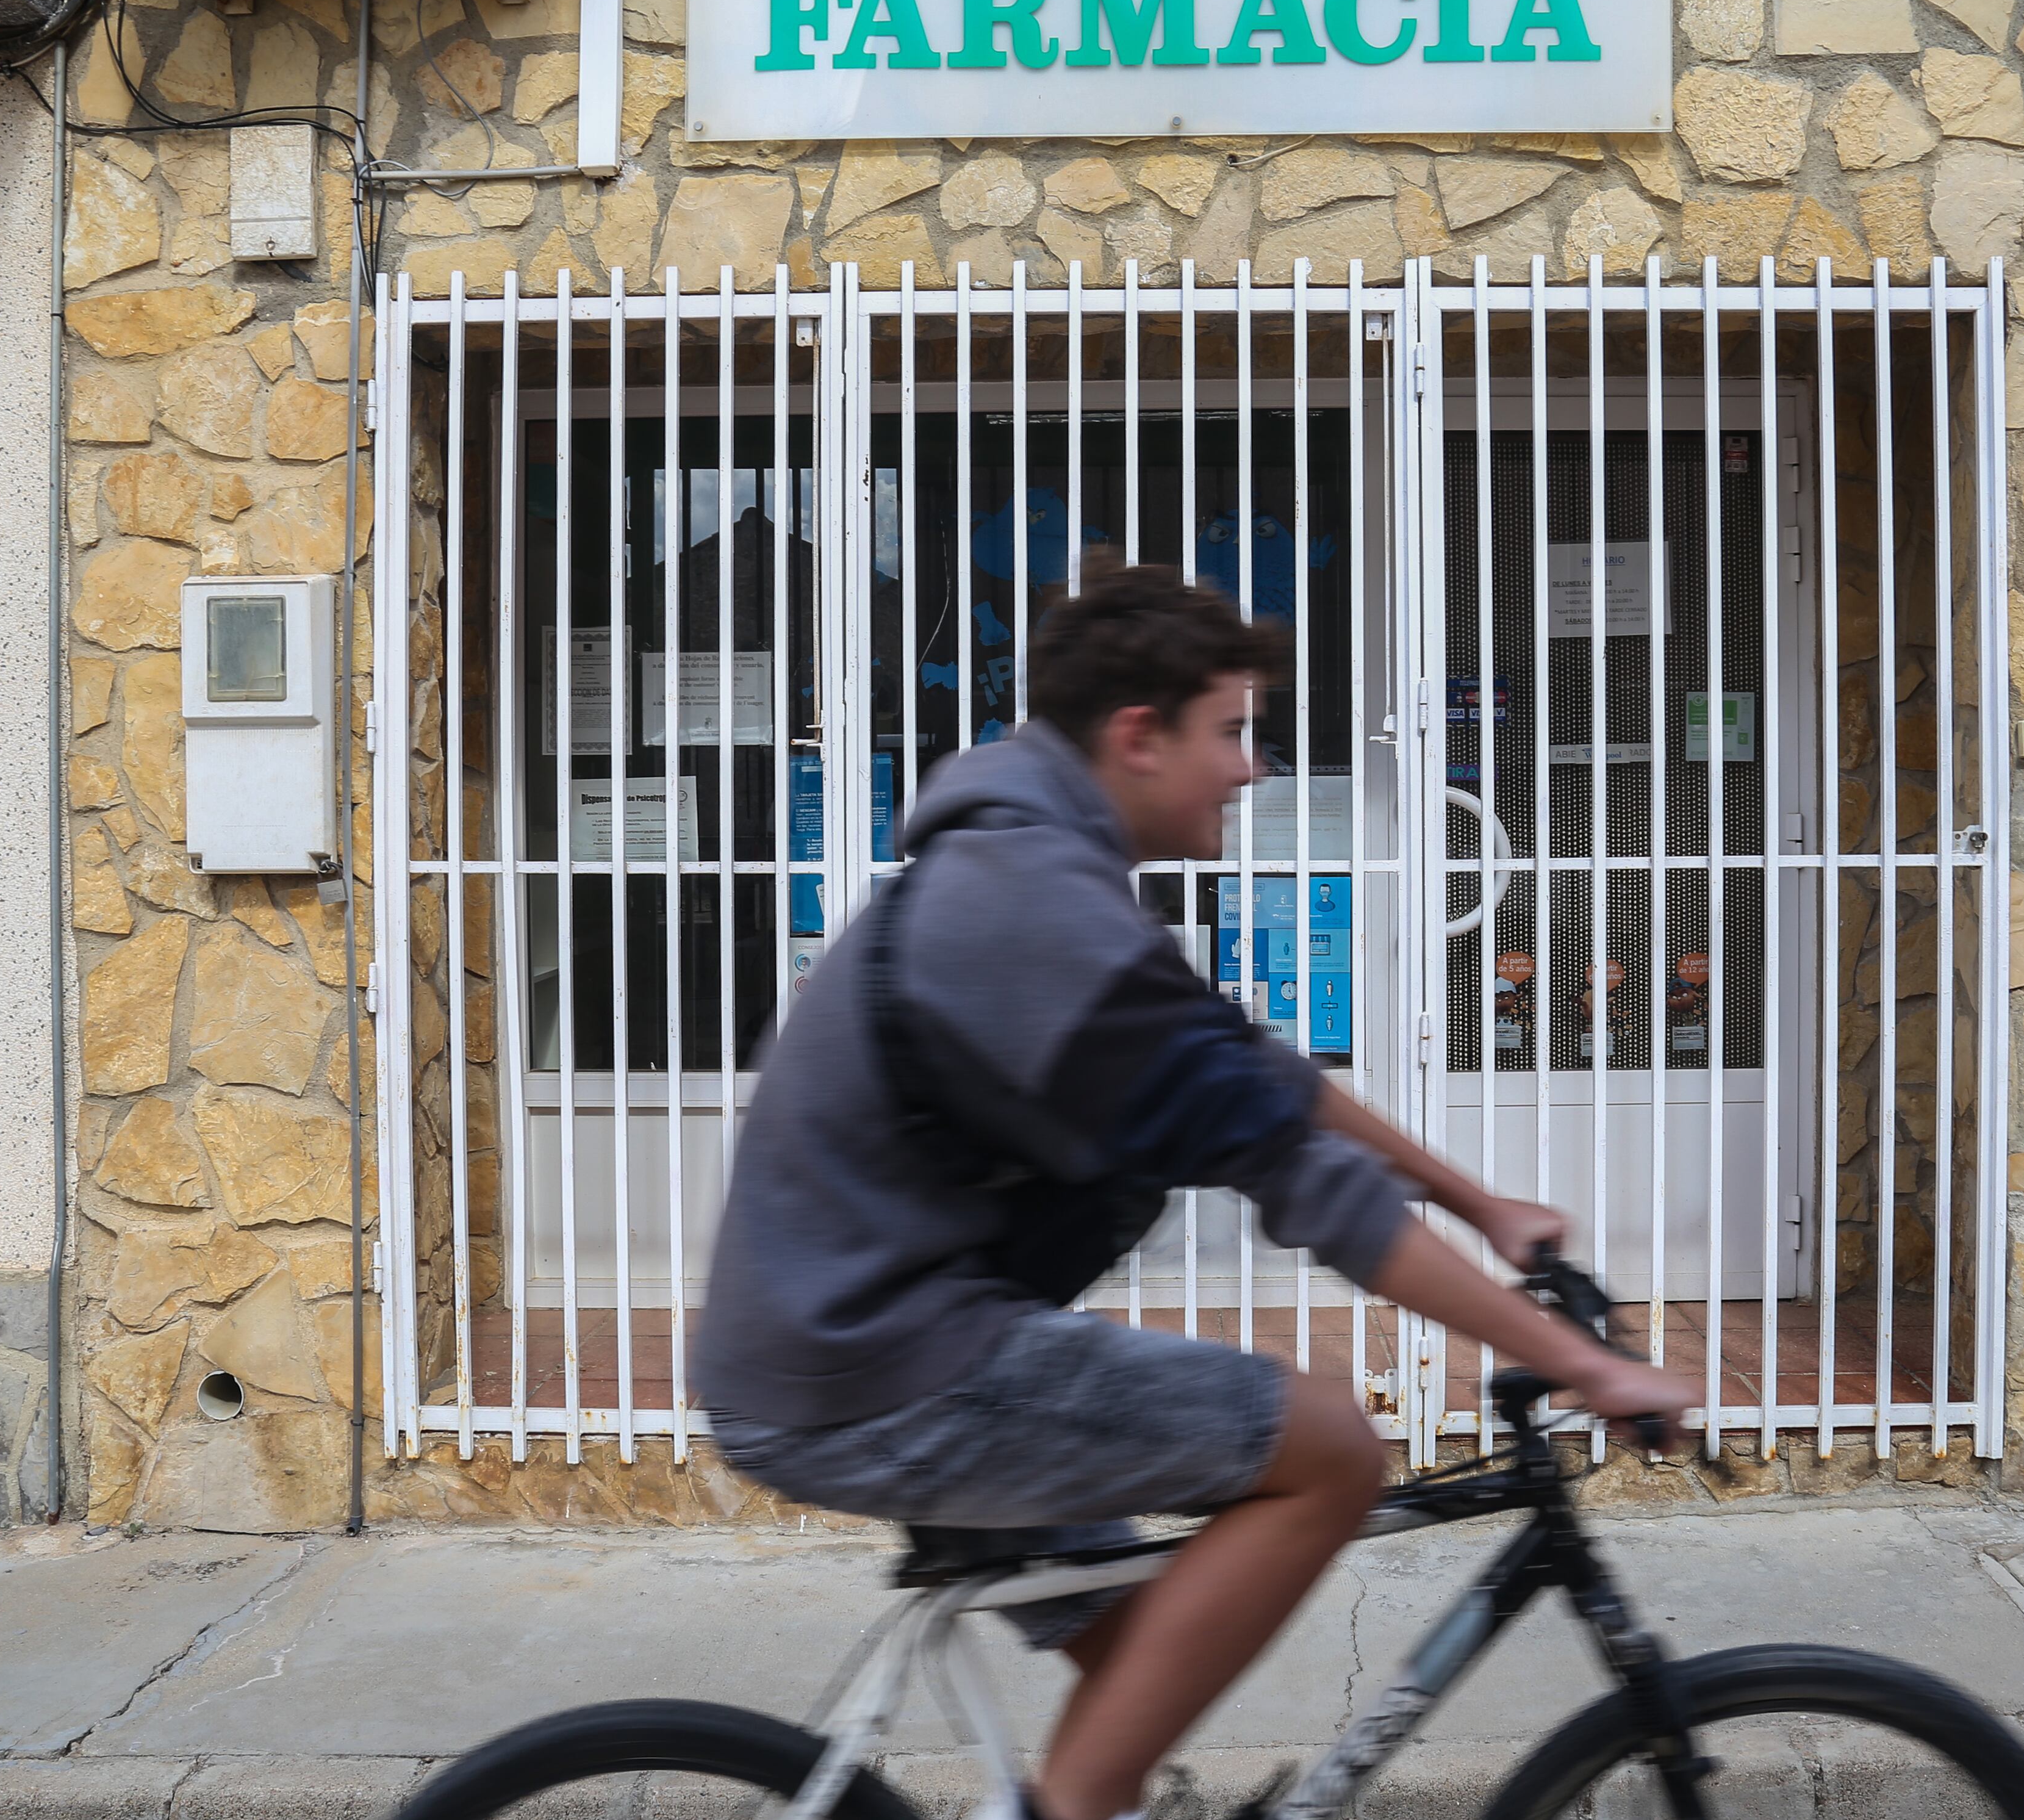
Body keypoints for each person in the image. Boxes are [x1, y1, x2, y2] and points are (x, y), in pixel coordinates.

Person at [697, 561, 1699, 1820]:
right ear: (1138, 735)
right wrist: (1587, 1364)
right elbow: (1297, 1178)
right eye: (1231, 729)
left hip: (875, 1332)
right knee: (1332, 1444)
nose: (1254, 768)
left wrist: (1482, 1201)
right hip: (876, 1361)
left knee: (1140, 1664)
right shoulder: (1026, 912)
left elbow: (1242, 1066)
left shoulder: (1038, 863)